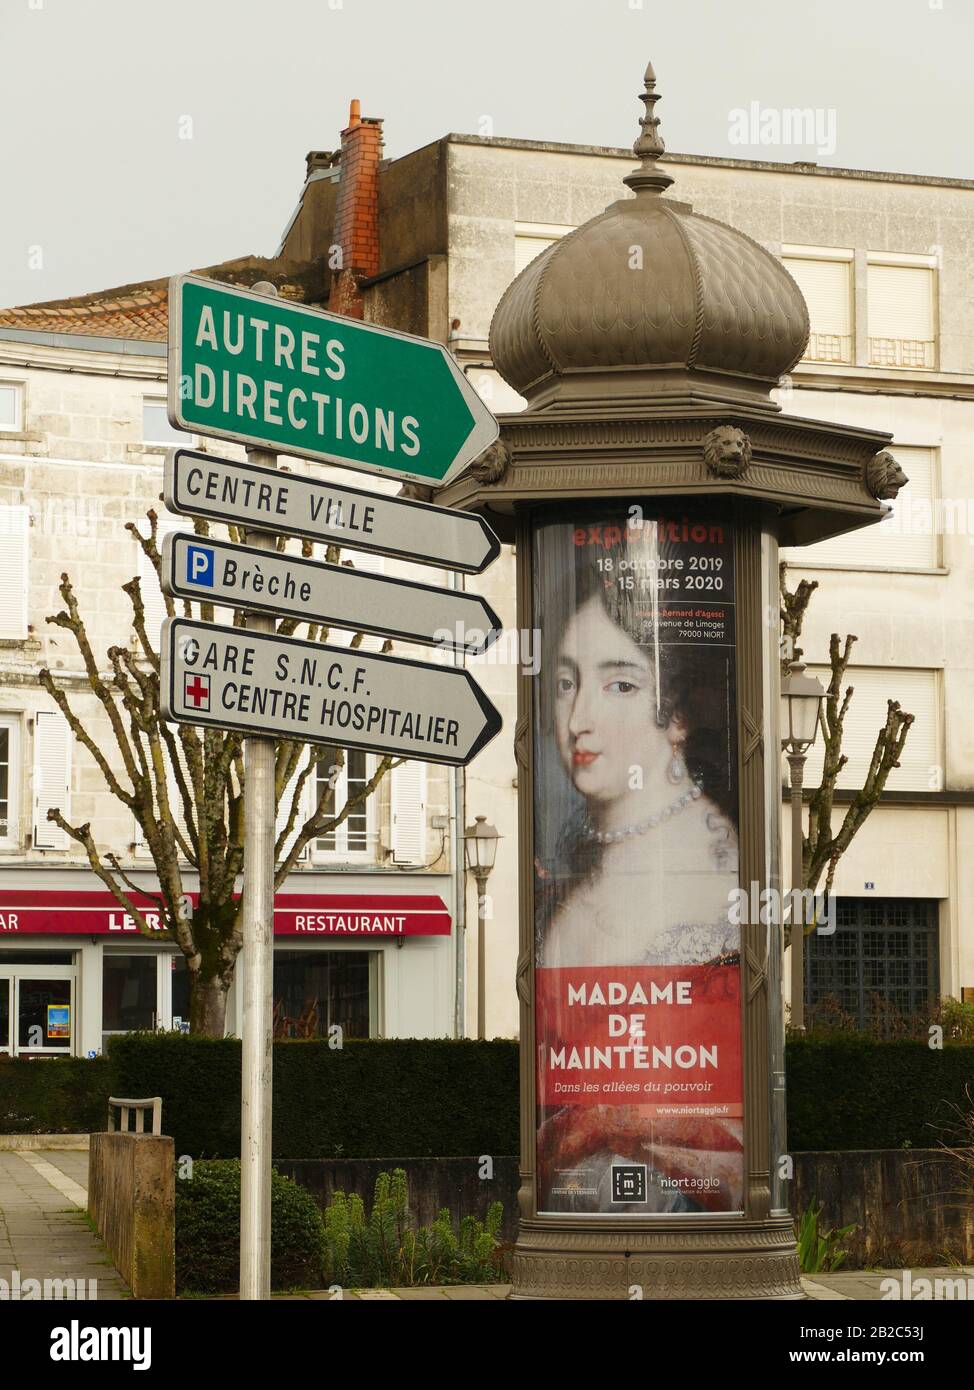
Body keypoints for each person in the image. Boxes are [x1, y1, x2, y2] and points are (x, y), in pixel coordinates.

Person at [534, 521, 743, 1214]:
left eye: (620, 685)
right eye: (566, 682)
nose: (579, 720)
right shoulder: (585, 857)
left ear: (676, 716)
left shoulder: (710, 864)